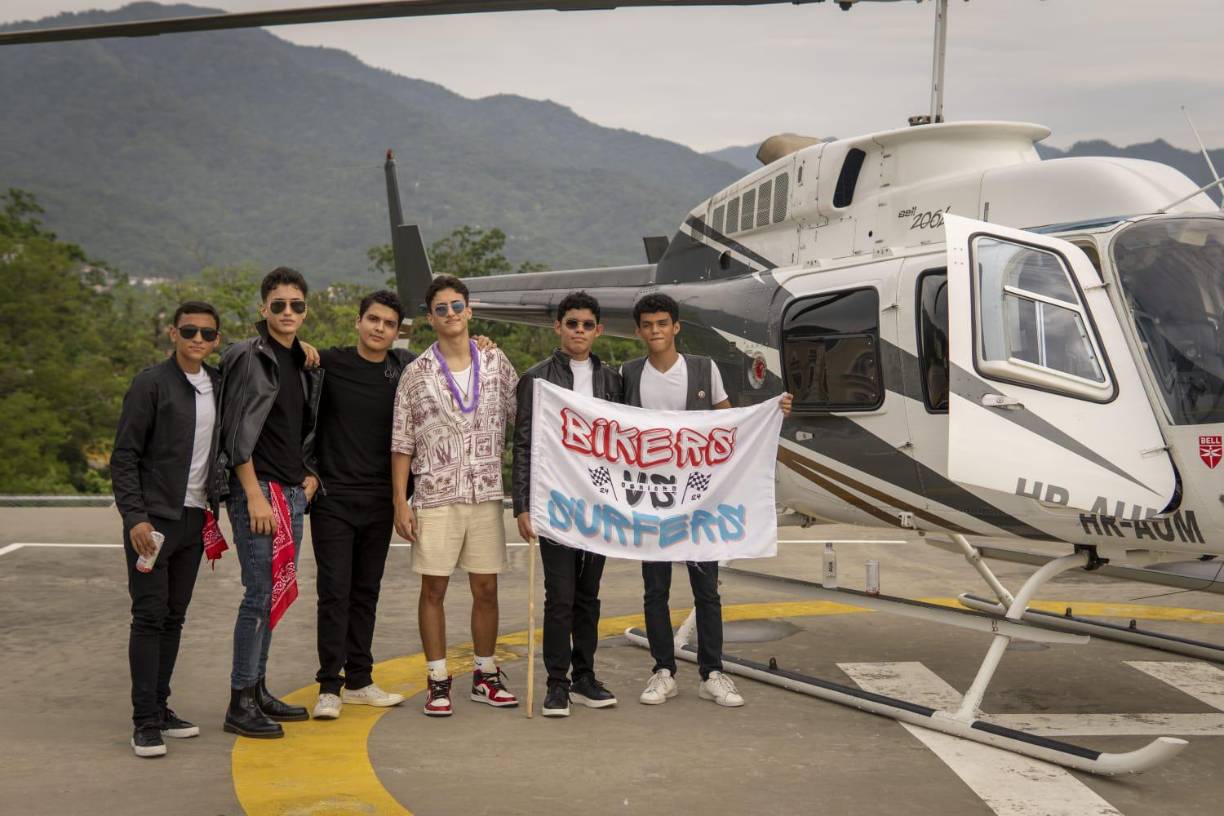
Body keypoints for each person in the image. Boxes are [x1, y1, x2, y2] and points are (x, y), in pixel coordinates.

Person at [623, 292, 791, 708]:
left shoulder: (704, 369)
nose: (656, 331)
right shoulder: (627, 373)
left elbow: (728, 422)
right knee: (654, 590)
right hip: (652, 498)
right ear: (639, 331)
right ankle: (663, 670)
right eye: (648, 325)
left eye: (663, 323)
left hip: (700, 498)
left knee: (707, 591)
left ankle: (713, 672)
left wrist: (772, 411)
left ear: (675, 327)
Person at [391, 275, 519, 717]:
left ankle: (485, 675)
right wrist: (400, 501)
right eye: (440, 308)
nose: (450, 314)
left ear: (470, 310)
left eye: (456, 306)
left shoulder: (496, 361)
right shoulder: (416, 374)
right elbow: (401, 443)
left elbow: (524, 417)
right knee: (434, 589)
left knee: (486, 587)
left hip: (485, 492)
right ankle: (438, 680)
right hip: (435, 494)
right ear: (430, 318)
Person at [111, 301, 223, 757]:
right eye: (190, 331)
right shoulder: (150, 384)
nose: (198, 339)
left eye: (208, 334)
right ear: (173, 334)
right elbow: (124, 456)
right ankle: (143, 722)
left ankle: (161, 707)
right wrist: (134, 517)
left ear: (216, 340)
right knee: (149, 615)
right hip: (153, 521)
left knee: (174, 616)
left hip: (196, 520)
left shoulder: (219, 382)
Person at [217, 267, 323, 738]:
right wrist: (253, 493)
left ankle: (257, 689)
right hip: (258, 493)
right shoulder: (247, 356)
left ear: (305, 309)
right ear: (263, 309)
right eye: (278, 305)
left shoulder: (300, 359)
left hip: (290, 492)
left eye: (296, 305)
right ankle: (239, 702)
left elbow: (299, 429)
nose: (287, 313)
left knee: (274, 593)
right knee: (258, 594)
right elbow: (235, 430)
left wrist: (308, 476)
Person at [512, 291, 622, 718]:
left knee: (588, 596)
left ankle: (584, 678)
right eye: (571, 323)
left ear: (598, 330)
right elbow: (523, 444)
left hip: (598, 503)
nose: (579, 330)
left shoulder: (612, 381)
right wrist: (522, 505)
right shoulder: (536, 379)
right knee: (559, 596)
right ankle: (556, 684)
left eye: (587, 324)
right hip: (554, 503)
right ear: (558, 327)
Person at [307, 290, 413, 719]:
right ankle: (329, 687)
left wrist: (482, 344)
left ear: (397, 332)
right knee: (334, 592)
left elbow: (449, 362)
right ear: (358, 321)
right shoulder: (329, 363)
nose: (379, 328)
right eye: (373, 319)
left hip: (381, 500)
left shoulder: (403, 371)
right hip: (333, 498)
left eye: (389, 324)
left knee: (366, 593)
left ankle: (360, 681)